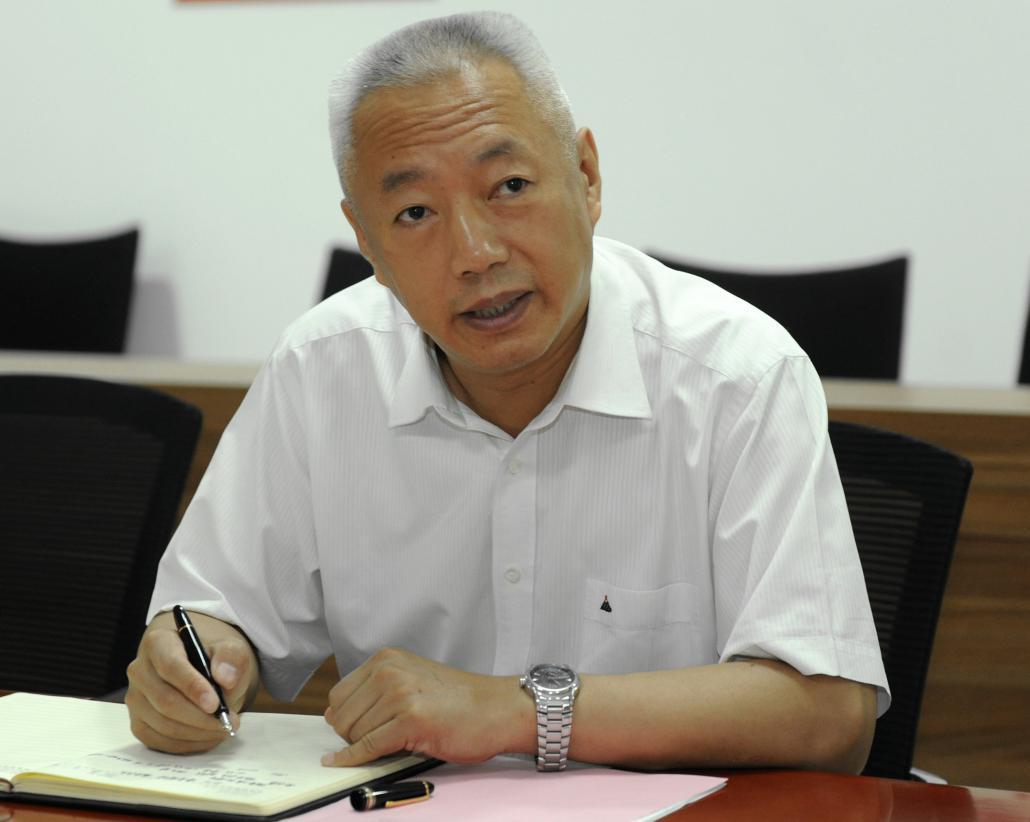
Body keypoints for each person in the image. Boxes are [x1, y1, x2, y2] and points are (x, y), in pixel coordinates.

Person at [126, 11, 889, 775]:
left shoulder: (737, 375)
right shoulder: (321, 370)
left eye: (510, 187)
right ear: (368, 243)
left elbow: (831, 717)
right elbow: (211, 615)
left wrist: (517, 710)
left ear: (587, 177)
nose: (476, 253)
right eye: (415, 213)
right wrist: (193, 668)